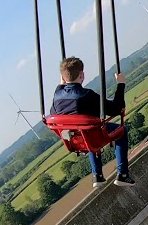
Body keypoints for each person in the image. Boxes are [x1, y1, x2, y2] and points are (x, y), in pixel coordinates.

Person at [50, 56, 134, 187]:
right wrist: (121, 84)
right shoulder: (86, 95)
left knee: (85, 132)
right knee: (121, 131)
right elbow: (116, 109)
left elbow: (53, 111)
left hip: (76, 139)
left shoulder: (57, 95)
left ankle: (97, 176)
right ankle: (122, 174)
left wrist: (61, 86)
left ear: (63, 78)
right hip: (94, 134)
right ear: (82, 74)